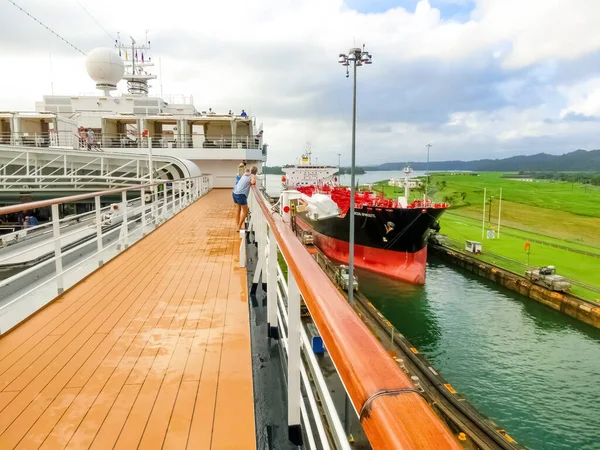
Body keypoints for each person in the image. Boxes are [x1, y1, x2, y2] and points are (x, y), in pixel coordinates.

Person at [232, 165, 258, 230]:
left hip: (235, 192)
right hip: (241, 195)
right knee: (245, 212)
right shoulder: (252, 176)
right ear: (255, 172)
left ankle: (238, 225)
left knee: (238, 209)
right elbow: (253, 182)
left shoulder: (245, 174)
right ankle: (239, 227)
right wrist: (254, 180)